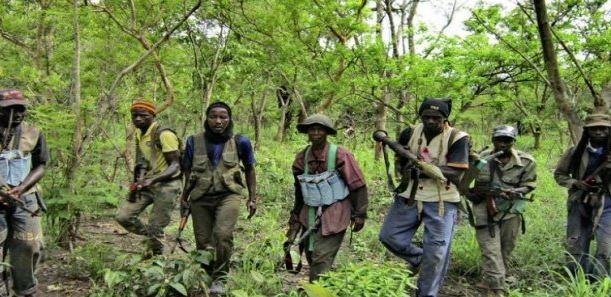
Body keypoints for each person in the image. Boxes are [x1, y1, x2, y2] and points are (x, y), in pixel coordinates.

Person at [378, 98, 469, 297]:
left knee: (436, 254)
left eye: (436, 118)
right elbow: (400, 163)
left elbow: (456, 174)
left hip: (442, 200)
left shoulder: (458, 138)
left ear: (445, 118)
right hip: (410, 194)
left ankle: (427, 294)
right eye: (426, 117)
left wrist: (422, 168)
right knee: (389, 236)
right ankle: (419, 258)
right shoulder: (410, 132)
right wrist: (406, 167)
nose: (430, 121)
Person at [181, 102, 257, 295]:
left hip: (228, 195)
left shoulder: (241, 141)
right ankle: (205, 276)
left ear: (229, 119)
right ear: (206, 119)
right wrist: (184, 196)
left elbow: (249, 169)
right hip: (201, 196)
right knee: (203, 240)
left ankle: (220, 278)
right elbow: (188, 170)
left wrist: (252, 198)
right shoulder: (193, 141)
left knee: (222, 235)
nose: (218, 121)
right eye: (213, 116)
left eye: (223, 117)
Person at [287, 113, 368, 282]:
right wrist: (295, 217)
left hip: (335, 211)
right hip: (310, 211)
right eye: (312, 129)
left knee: (321, 258)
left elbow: (357, 184)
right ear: (307, 133)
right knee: (310, 253)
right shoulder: (302, 158)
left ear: (327, 133)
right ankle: (320, 285)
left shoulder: (340, 155)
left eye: (320, 129)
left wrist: (360, 214)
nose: (316, 133)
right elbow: (299, 190)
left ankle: (316, 289)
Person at [469, 125, 536, 296]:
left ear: (513, 141)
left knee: (505, 250)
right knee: (491, 251)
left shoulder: (526, 161)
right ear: (493, 140)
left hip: (511, 211)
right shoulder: (482, 159)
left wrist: (515, 192)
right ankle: (498, 289)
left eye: (507, 140)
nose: (503, 144)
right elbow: (468, 183)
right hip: (484, 209)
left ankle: (489, 280)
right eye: (499, 140)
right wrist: (477, 193)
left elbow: (529, 184)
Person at [116, 100, 182, 256]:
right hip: (148, 182)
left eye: (143, 115)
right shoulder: (140, 132)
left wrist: (152, 180)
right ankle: (154, 236)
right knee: (123, 216)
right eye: (135, 115)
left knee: (156, 224)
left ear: (153, 115)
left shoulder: (164, 134)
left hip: (168, 184)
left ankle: (156, 258)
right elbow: (142, 161)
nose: (138, 119)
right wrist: (137, 181)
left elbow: (175, 165)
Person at [0, 89, 49, 297]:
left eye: (21, 108)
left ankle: (25, 289)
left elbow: (42, 165)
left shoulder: (33, 132)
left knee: (28, 244)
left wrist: (22, 187)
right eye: (11, 109)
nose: (18, 114)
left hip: (25, 199)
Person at [554, 113, 611, 278]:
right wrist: (576, 183)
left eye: (603, 128)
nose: (599, 132)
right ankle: (577, 280)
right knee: (576, 244)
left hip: (606, 203)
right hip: (579, 201)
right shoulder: (575, 151)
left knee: (605, 248)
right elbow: (559, 175)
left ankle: (597, 284)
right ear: (587, 131)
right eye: (594, 129)